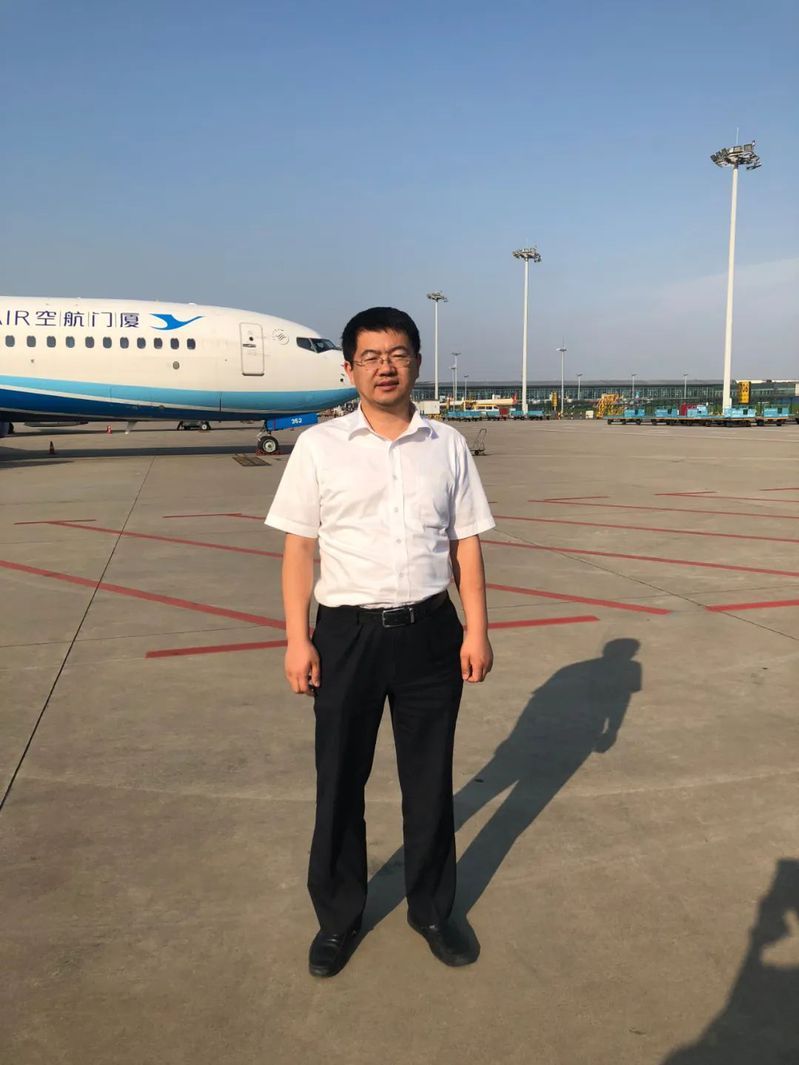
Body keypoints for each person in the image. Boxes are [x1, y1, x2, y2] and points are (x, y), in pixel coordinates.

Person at [265, 307, 495, 977]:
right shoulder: (319, 446)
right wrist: (297, 640)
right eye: (370, 356)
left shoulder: (447, 445)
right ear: (349, 369)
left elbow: (466, 544)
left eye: (397, 354)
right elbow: (298, 549)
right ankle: (338, 917)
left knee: (429, 782)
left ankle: (432, 909)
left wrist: (477, 629)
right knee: (339, 780)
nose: (384, 366)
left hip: (430, 633)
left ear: (416, 362)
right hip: (346, 637)